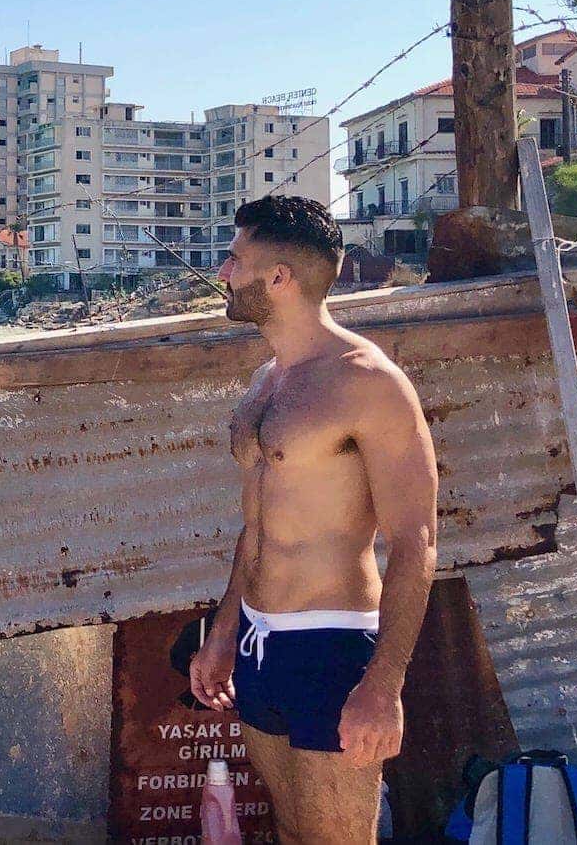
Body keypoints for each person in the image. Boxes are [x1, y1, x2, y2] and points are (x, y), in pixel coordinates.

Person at [188, 195, 437, 843]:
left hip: (332, 645)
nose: (222, 274)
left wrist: (384, 683)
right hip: (258, 645)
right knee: (292, 834)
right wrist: (223, 629)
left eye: (235, 260)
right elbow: (258, 523)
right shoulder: (265, 381)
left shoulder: (369, 382)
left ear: (279, 279)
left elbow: (416, 540)